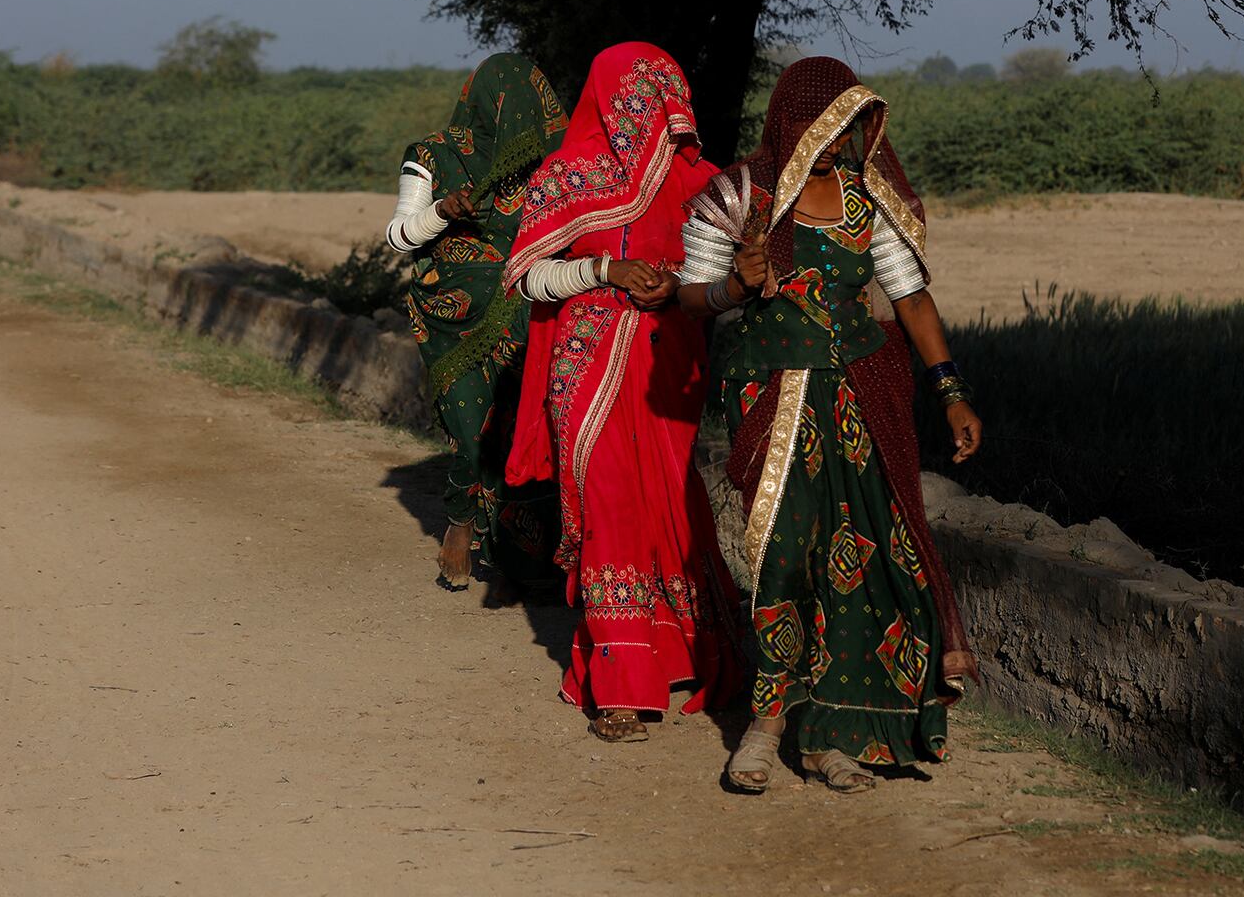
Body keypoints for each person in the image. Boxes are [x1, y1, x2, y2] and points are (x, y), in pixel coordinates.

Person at [675, 56, 983, 793]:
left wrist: (951, 391)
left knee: (865, 556)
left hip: (863, 397)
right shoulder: (736, 196)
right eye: (832, 121)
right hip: (773, 397)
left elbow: (909, 301)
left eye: (852, 123)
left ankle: (831, 733)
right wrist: (736, 286)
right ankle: (765, 725)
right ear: (796, 121)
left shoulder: (863, 200)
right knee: (781, 555)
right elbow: (688, 298)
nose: (844, 136)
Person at [502, 42, 742, 742]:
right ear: (605, 98)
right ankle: (620, 684)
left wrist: (680, 287)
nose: (655, 112)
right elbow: (527, 276)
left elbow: (721, 286)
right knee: (608, 506)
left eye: (664, 93)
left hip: (667, 372)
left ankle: (685, 657)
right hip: (588, 372)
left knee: (669, 503)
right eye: (639, 96)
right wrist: (606, 270)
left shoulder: (700, 183)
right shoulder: (565, 175)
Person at [386, 52, 570, 593]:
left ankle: (521, 554)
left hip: (524, 312)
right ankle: (461, 523)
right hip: (449, 317)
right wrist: (441, 211)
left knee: (518, 433)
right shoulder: (432, 156)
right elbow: (398, 237)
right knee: (471, 432)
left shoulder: (552, 167)